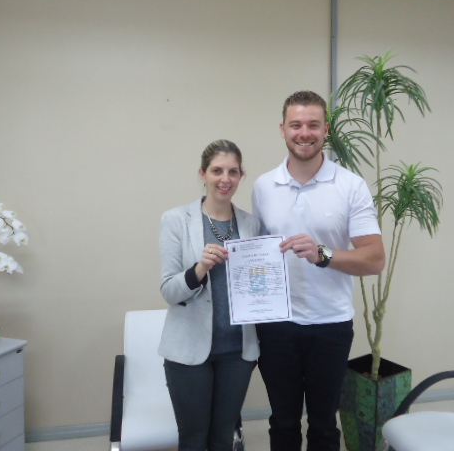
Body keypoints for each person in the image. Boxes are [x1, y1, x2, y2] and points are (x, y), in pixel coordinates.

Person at [252, 91, 386, 451]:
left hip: (330, 325)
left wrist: (322, 253)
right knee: (282, 422)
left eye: (313, 125)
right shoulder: (263, 186)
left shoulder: (350, 185)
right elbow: (258, 255)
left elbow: (375, 259)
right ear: (282, 129)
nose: (304, 133)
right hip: (276, 325)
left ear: (326, 130)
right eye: (296, 125)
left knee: (324, 425)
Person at [158, 139, 260, 451]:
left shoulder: (251, 224)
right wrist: (200, 267)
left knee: (222, 439)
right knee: (193, 441)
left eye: (233, 172)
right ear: (203, 174)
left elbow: (257, 285)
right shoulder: (176, 220)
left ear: (241, 176)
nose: (225, 179)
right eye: (217, 170)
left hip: (237, 352)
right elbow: (169, 291)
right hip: (189, 351)